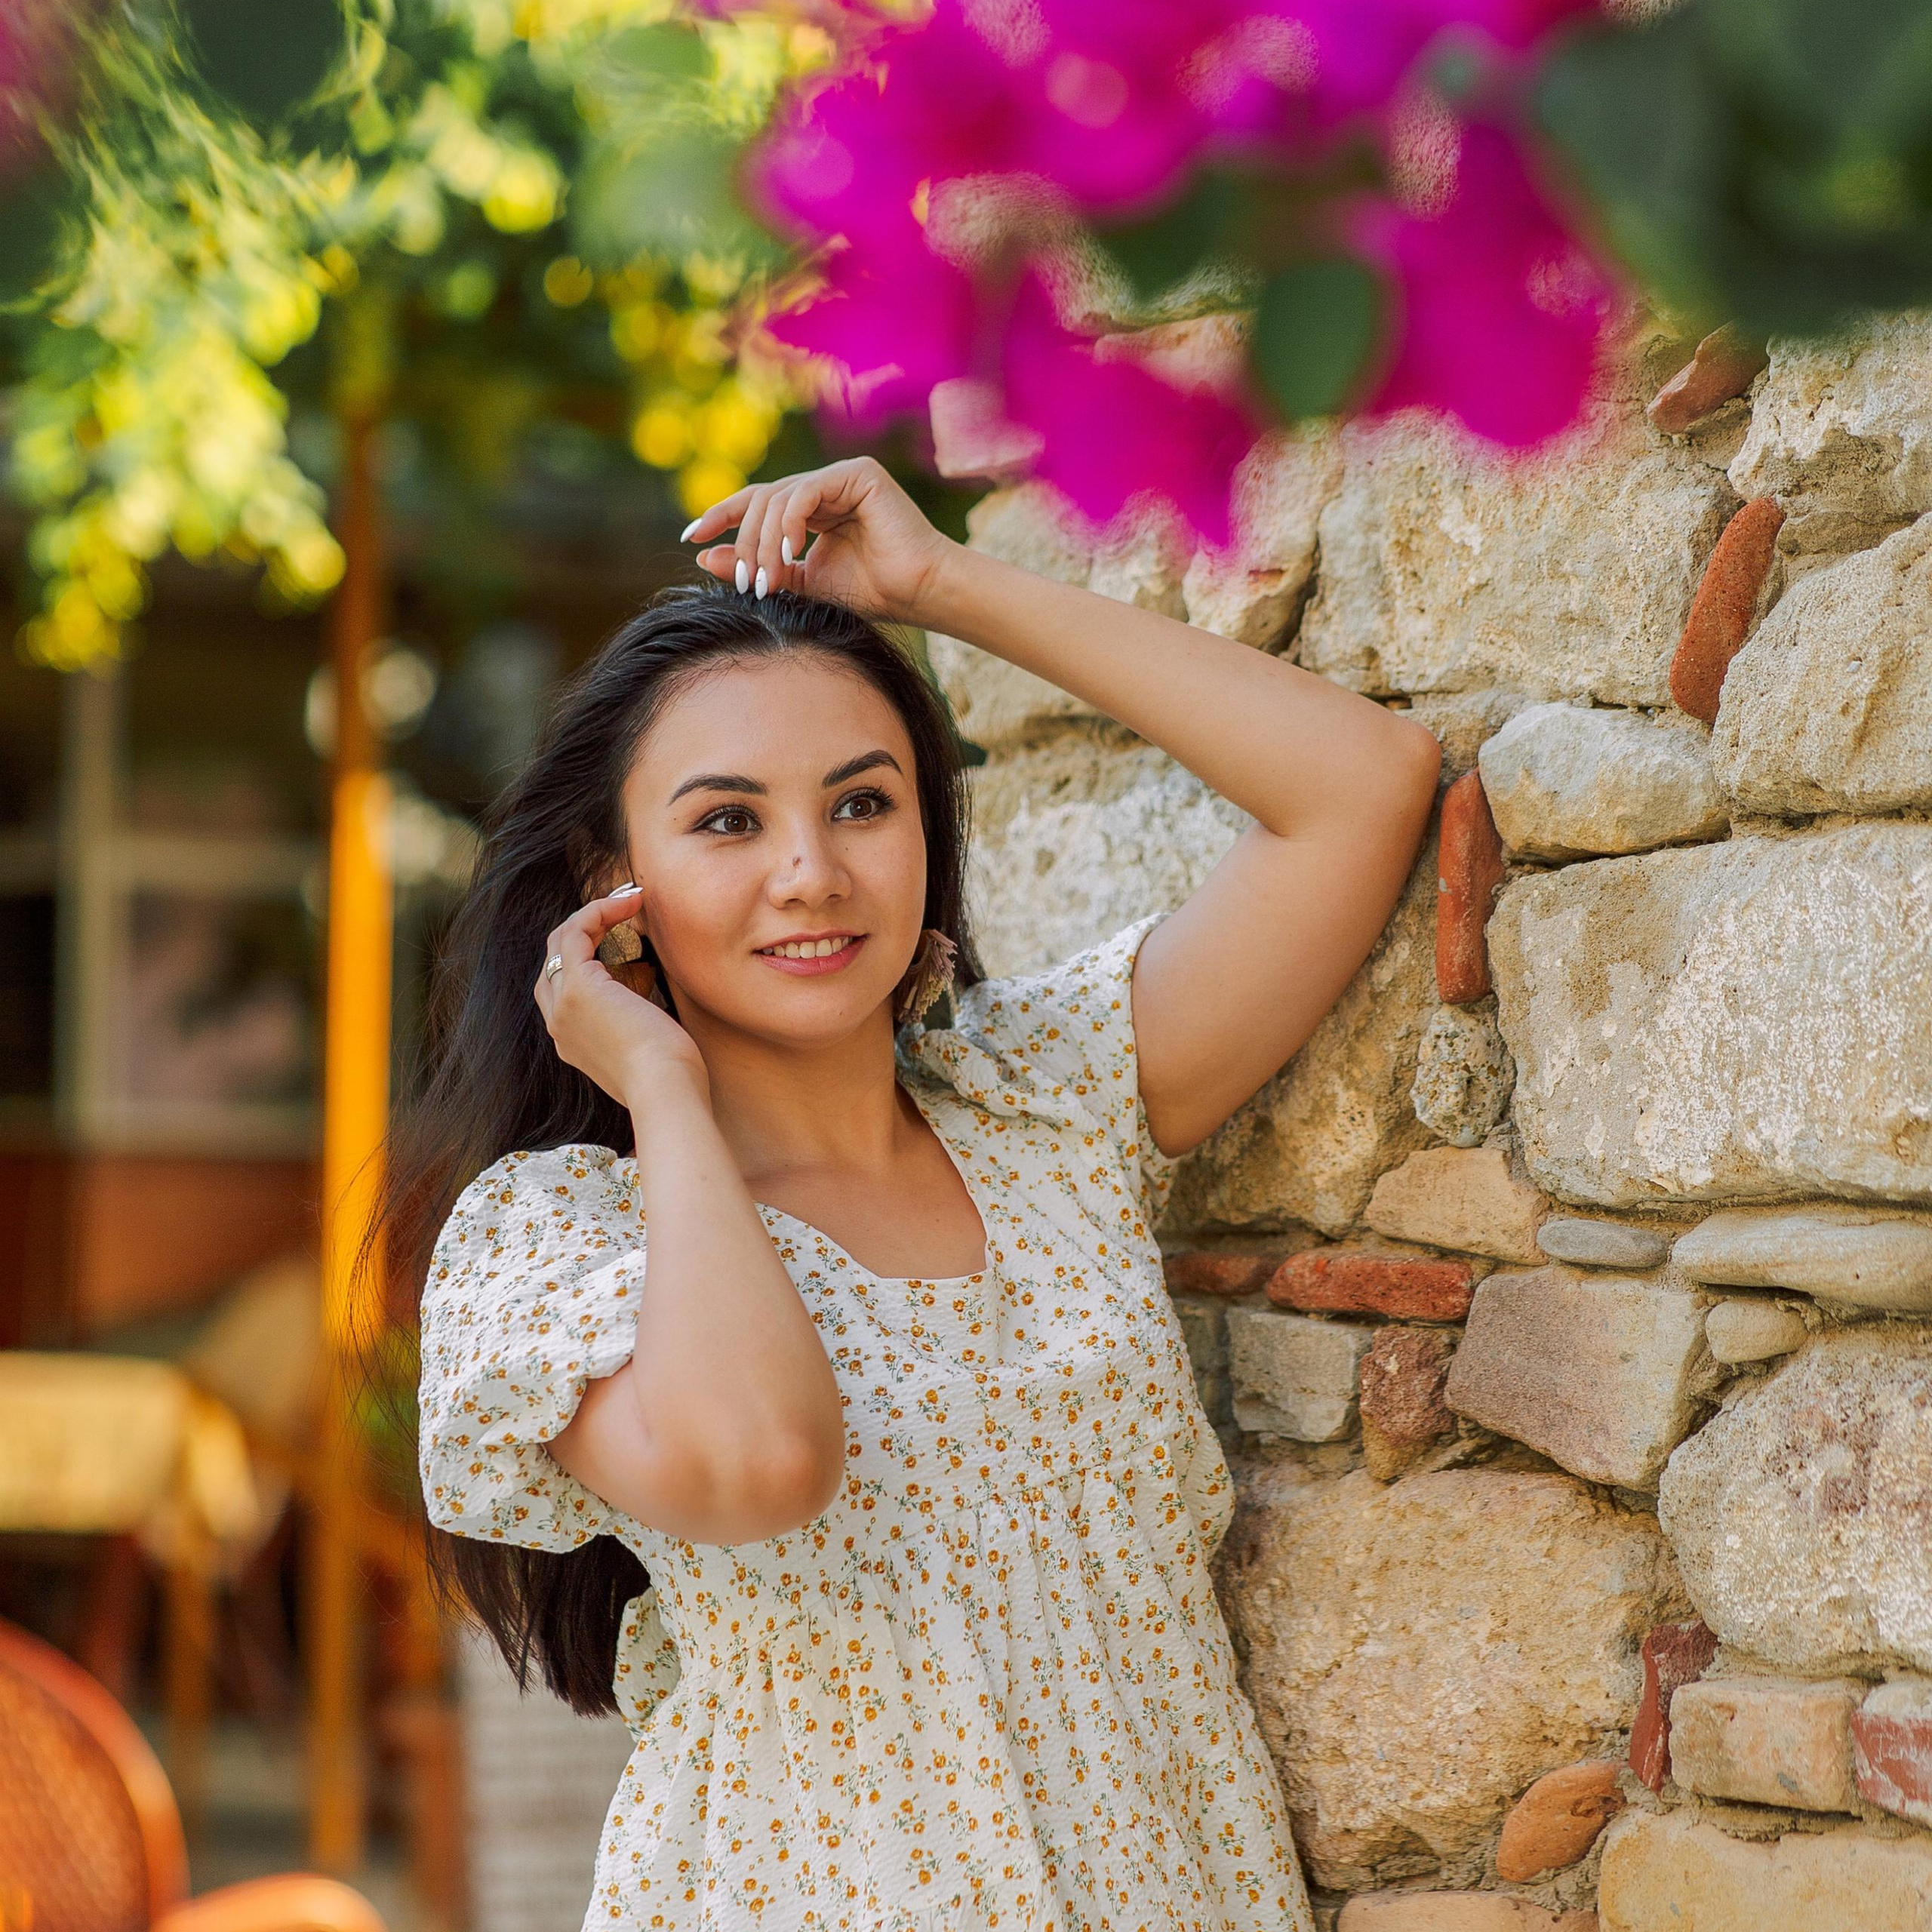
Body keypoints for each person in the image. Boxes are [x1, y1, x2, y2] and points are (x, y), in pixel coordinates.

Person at [397, 454, 1442, 1930]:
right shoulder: (560, 1237)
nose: (811, 871)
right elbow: (762, 1461)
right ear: (601, 878)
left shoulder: (1045, 1098)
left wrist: (938, 588)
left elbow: (1360, 787)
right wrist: (667, 1092)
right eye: (726, 821)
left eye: (862, 801)